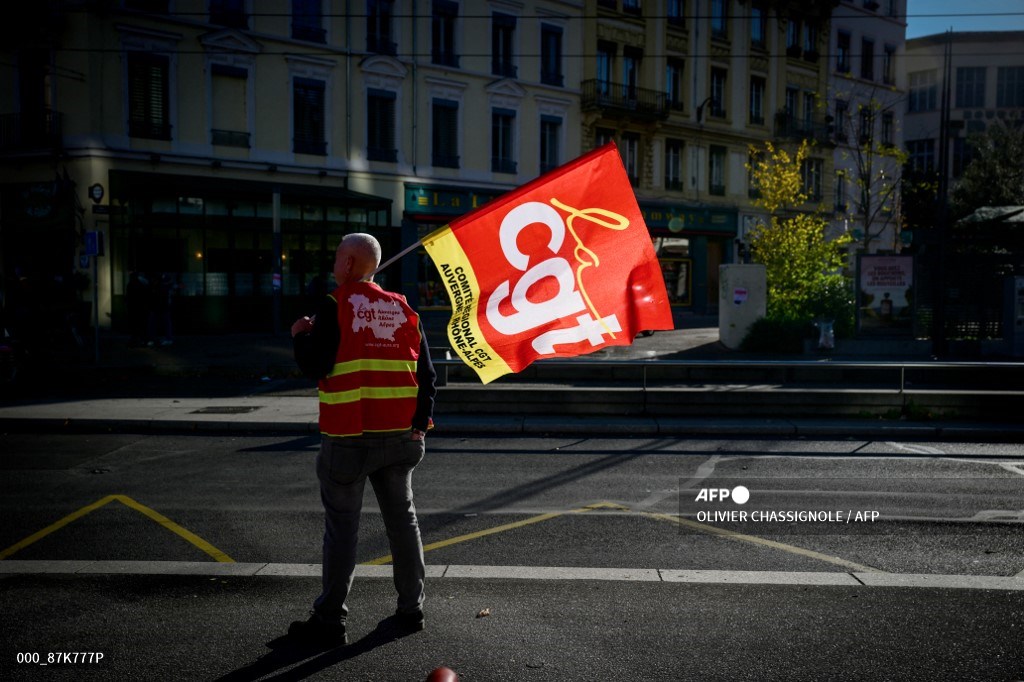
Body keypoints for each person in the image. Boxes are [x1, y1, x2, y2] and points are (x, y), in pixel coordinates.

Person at [289, 233, 436, 648]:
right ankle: (411, 609)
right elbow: (427, 375)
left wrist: (301, 335)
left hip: (349, 437)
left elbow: (315, 364)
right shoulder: (405, 309)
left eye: (338, 257)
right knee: (403, 523)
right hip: (401, 437)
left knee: (342, 530)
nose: (334, 264)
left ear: (351, 264)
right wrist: (421, 424)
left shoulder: (336, 304)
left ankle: (330, 620)